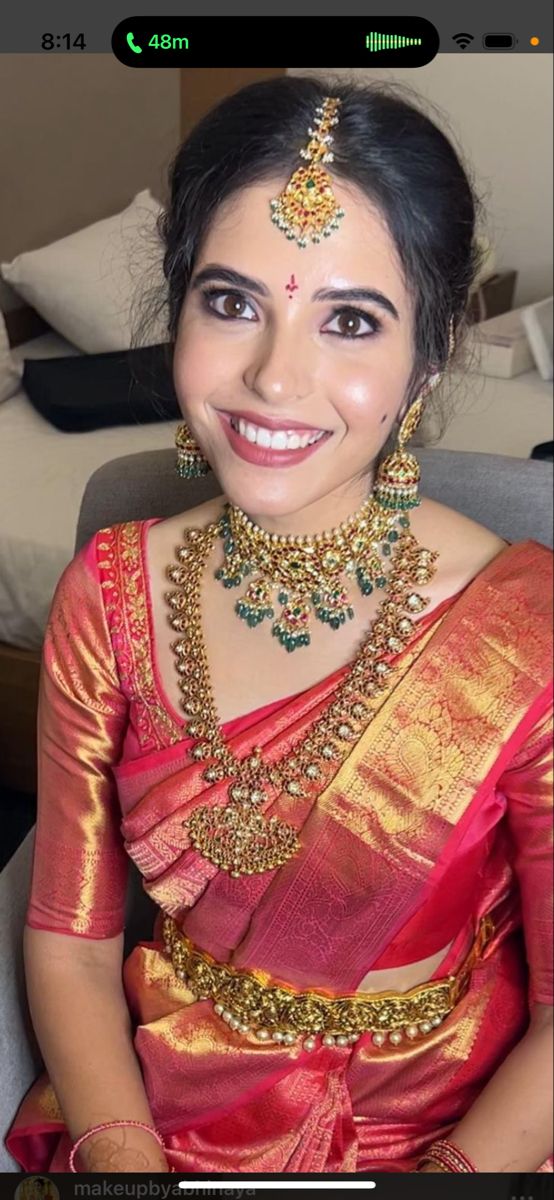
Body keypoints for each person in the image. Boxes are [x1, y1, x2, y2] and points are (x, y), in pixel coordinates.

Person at [5, 76, 553, 1175]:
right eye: (232, 302)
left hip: (448, 1124)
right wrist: (124, 1162)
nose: (274, 376)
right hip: (166, 1105)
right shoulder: (106, 599)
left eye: (349, 320)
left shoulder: (524, 634)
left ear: (431, 349)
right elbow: (71, 939)